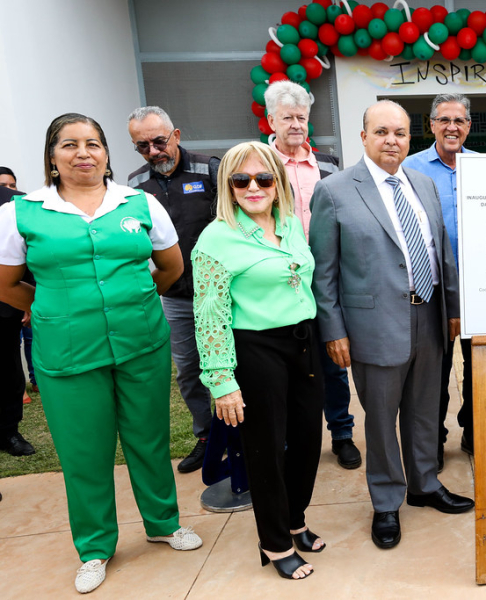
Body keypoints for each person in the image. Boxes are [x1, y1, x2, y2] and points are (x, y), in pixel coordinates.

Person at [0, 113, 201, 594]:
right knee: (83, 452)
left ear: (107, 153)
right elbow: (6, 284)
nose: (83, 153)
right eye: (69, 145)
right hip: (67, 353)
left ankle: (163, 523)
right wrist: (52, 309)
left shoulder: (140, 203)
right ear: (52, 157)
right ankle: (94, 547)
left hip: (141, 344)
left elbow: (171, 267)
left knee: (149, 438)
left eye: (93, 143)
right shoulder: (21, 212)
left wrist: (135, 301)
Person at [309, 100, 473, 550]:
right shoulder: (335, 191)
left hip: (430, 316)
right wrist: (333, 330)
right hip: (373, 326)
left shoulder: (423, 183)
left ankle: (424, 485)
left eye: (399, 133)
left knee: (425, 411)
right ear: (363, 137)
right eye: (381, 132)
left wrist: (453, 308)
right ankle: (385, 502)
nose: (391, 140)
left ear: (410, 138)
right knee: (381, 420)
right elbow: (323, 272)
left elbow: (441, 252)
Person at [192, 141, 324, 579]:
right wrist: (221, 381)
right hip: (255, 350)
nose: (253, 187)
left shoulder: (290, 224)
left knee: (307, 441)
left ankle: (295, 520)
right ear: (227, 186)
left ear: (278, 182)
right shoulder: (215, 239)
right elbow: (209, 315)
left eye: (263, 178)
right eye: (241, 179)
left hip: (303, 343)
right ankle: (275, 542)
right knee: (266, 449)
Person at [263, 81, 359, 470]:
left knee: (333, 359)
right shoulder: (260, 164)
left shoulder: (329, 165)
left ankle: (342, 434)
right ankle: (292, 440)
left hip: (325, 278)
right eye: (288, 118)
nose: (296, 125)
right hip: (279, 280)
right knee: (287, 364)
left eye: (302, 118)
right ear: (271, 120)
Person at [127, 106, 219, 473]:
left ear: (176, 135)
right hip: (174, 296)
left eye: (159, 141)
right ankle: (206, 437)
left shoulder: (209, 169)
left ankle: (244, 434)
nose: (153, 152)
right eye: (142, 146)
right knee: (189, 370)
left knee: (235, 364)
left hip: (219, 293)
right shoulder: (135, 184)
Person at [404, 93, 476, 470]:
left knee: (479, 366)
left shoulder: (482, 167)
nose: (452, 127)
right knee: (434, 371)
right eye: (444, 120)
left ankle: (474, 432)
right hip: (433, 289)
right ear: (431, 125)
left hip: (480, 288)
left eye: (459, 120)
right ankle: (433, 440)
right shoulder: (410, 168)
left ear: (468, 126)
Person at [0, 184, 35, 456]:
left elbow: (30, 251)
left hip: (5, 302)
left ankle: (9, 432)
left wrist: (30, 299)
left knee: (7, 369)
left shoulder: (15, 202)